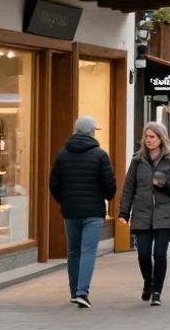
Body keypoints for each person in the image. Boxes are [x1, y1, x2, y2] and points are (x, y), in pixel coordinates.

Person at [49, 115, 116, 309]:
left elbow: (54, 184)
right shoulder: (100, 155)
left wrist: (65, 201)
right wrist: (104, 198)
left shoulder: (62, 154)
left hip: (70, 211)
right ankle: (82, 293)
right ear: (91, 132)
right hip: (93, 210)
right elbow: (109, 185)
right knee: (88, 251)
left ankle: (73, 292)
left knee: (73, 251)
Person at [118, 121, 170, 306]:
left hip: (165, 213)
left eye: (152, 137)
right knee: (143, 254)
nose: (147, 140)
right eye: (146, 137)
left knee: (159, 254)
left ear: (161, 138)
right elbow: (128, 188)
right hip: (141, 214)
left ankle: (157, 291)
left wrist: (168, 185)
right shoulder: (137, 160)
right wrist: (124, 212)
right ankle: (148, 282)